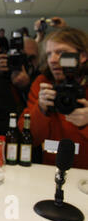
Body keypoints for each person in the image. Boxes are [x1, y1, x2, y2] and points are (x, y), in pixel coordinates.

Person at [19, 27, 88, 169]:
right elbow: (27, 138)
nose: (53, 60)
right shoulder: (43, 83)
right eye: (49, 54)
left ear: (82, 56)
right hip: (50, 169)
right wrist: (41, 110)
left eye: (61, 53)